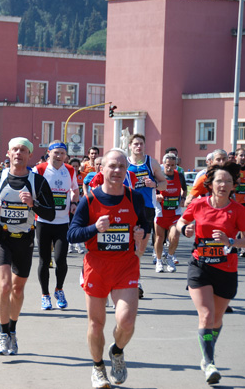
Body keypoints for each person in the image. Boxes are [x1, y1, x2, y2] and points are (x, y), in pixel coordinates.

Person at [67, 149, 148, 388]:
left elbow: (144, 227)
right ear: (101, 170)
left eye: (122, 167)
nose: (116, 171)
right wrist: (94, 228)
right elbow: (72, 234)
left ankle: (117, 351)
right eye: (112, 166)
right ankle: (98, 367)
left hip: (126, 267)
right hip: (97, 268)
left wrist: (141, 234)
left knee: (127, 321)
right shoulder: (89, 200)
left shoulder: (135, 198)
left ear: (126, 171)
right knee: (96, 324)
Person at [176, 161, 245, 385]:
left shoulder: (238, 211)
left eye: (228, 181)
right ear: (210, 184)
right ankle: (209, 362)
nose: (223, 184)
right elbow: (179, 223)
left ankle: (207, 349)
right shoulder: (199, 205)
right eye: (219, 181)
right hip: (200, 267)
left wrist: (231, 241)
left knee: (217, 319)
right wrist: (185, 229)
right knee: (207, 316)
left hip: (226, 269)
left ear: (233, 186)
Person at [0, 137, 55, 356]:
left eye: (23, 150)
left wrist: (33, 204)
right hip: (1, 236)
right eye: (14, 149)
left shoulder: (38, 182)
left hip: (24, 238)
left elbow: (50, 213)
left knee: (17, 289)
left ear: (29, 155)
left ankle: (12, 330)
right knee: (5, 286)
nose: (18, 153)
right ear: (8, 153)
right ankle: (3, 335)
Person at [33, 141, 79, 310]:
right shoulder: (39, 169)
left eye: (62, 153)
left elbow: (75, 189)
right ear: (49, 153)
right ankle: (45, 295)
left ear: (65, 155)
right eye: (56, 153)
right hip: (43, 221)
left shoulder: (70, 170)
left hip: (62, 222)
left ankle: (59, 289)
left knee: (61, 259)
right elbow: (30, 189)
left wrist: (75, 201)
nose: (59, 156)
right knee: (44, 261)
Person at [127, 134, 167, 298]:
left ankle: (133, 278)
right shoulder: (124, 163)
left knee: (140, 248)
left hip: (147, 208)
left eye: (141, 144)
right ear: (130, 146)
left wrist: (155, 184)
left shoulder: (151, 162)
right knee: (128, 246)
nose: (138, 147)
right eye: (135, 144)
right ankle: (134, 281)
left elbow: (164, 183)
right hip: (127, 208)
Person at [153, 153, 185, 272]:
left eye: (173, 165)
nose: (170, 167)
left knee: (175, 236)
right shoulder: (158, 176)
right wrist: (156, 196)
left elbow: (184, 190)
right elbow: (152, 191)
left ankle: (170, 258)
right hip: (161, 212)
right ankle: (159, 261)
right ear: (163, 164)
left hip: (175, 213)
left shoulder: (180, 175)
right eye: (168, 165)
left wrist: (182, 198)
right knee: (159, 238)